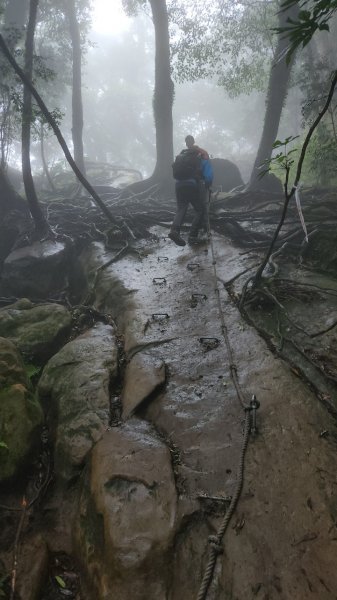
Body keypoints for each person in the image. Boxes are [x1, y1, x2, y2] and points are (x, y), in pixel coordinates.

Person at [169, 135, 213, 247]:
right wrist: (208, 183)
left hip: (178, 185)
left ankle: (174, 231)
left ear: (186, 143)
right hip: (191, 185)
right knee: (199, 209)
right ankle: (193, 236)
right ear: (194, 142)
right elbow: (208, 173)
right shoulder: (201, 154)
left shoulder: (182, 154)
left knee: (181, 208)